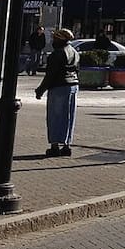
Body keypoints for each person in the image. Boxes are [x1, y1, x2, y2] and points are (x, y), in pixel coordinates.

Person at [35, 28, 80, 157]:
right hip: (73, 86)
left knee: (55, 116)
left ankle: (54, 145)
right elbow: (77, 71)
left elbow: (50, 75)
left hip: (59, 87)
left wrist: (40, 90)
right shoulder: (75, 52)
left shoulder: (57, 54)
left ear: (59, 39)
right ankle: (67, 145)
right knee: (69, 116)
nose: (53, 41)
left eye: (55, 38)